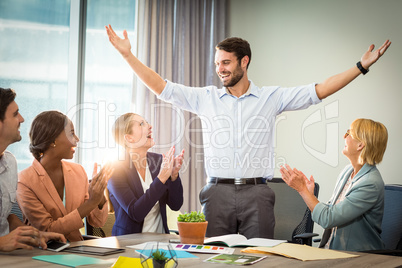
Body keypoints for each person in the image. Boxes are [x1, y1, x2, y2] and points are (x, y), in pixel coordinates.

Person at [105, 24, 391, 239]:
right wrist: (128, 56)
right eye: (217, 64)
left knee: (261, 260)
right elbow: (160, 86)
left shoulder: (271, 97)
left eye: (226, 62)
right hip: (216, 194)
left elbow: (320, 90)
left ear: (244, 61)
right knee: (212, 259)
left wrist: (360, 67)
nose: (220, 69)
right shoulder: (206, 98)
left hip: (257, 193)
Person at [280, 118, 388, 251]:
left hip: (357, 257)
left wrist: (302, 190)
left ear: (360, 145)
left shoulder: (370, 183)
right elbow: (332, 211)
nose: (344, 136)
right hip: (331, 251)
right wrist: (309, 193)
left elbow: (328, 218)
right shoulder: (347, 171)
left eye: (349, 132)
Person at [17, 111, 113, 242]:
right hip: (42, 253)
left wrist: (99, 195)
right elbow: (48, 231)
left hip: (76, 249)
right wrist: (91, 203)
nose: (77, 139)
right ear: (52, 141)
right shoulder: (24, 181)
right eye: (71, 133)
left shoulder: (78, 171)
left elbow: (98, 222)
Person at [0, 88, 66, 252]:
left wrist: (33, 235)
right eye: (15, 114)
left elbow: (7, 215)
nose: (21, 119)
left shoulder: (10, 163)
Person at [107, 113, 184, 235]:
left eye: (146, 122)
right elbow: (135, 213)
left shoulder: (159, 161)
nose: (150, 126)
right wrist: (161, 178)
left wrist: (174, 177)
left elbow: (176, 204)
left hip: (161, 241)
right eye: (141, 124)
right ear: (129, 138)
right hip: (129, 243)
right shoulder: (115, 169)